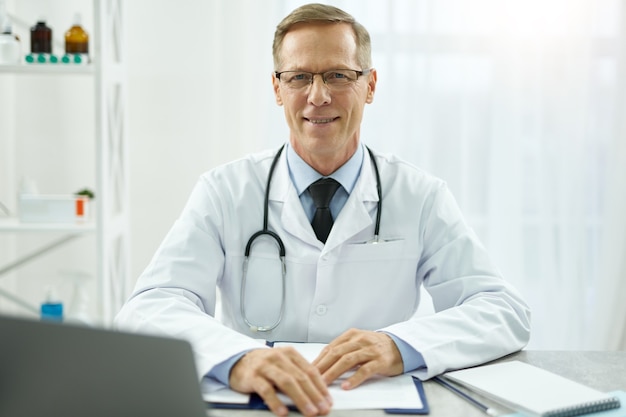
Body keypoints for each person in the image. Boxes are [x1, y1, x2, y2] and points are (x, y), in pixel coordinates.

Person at [115, 3, 531, 417]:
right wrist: (237, 357)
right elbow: (149, 307)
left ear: (369, 85)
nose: (318, 96)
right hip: (261, 406)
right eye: (299, 77)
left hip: (375, 404)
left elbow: (502, 310)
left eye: (338, 75)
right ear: (277, 88)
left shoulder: (420, 196)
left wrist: (400, 345)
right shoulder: (225, 191)